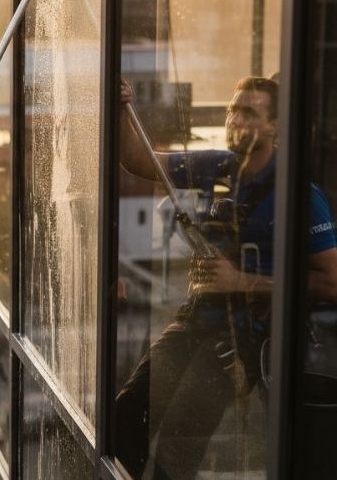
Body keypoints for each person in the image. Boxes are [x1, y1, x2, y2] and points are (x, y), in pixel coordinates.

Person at [115, 76, 337, 480]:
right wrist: (120, 107)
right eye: (232, 110)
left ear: (275, 127)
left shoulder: (301, 196)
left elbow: (331, 282)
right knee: (126, 416)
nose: (235, 119)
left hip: (246, 338)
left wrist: (240, 281)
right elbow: (136, 158)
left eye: (249, 113)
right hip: (198, 317)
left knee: (175, 449)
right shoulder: (218, 166)